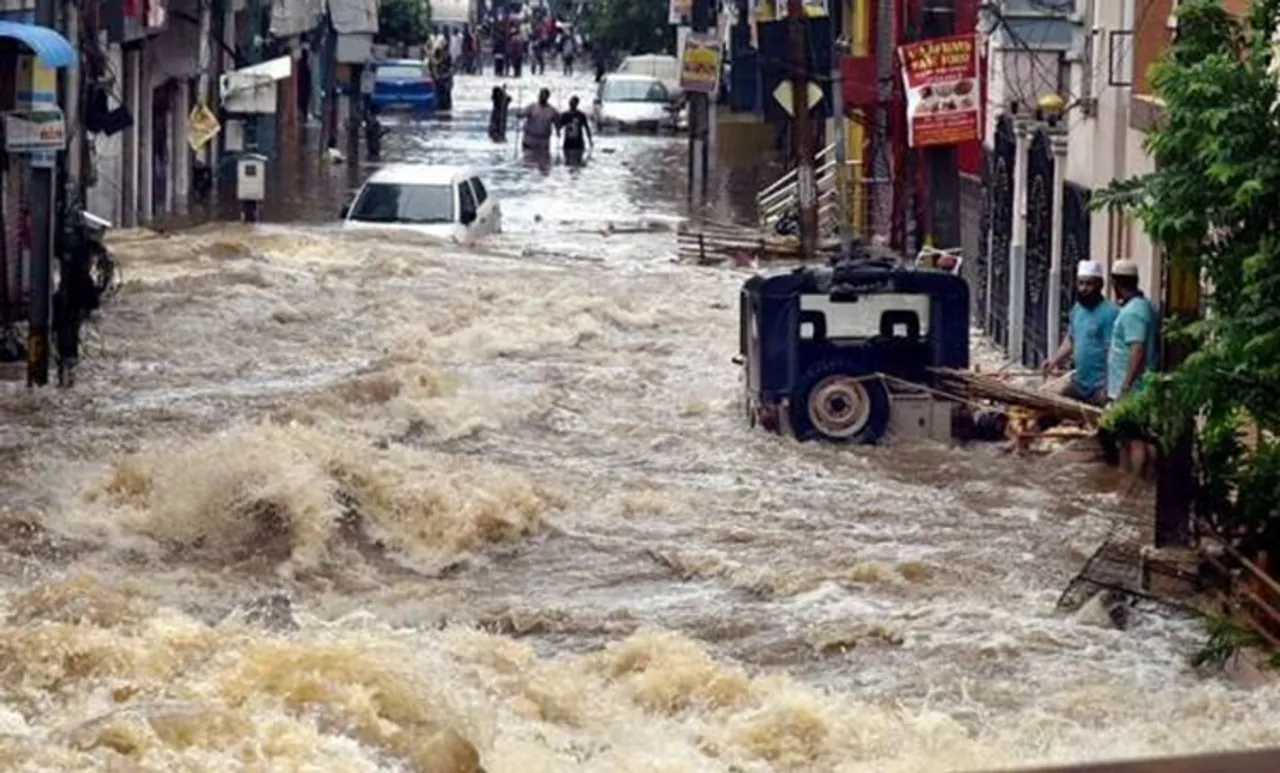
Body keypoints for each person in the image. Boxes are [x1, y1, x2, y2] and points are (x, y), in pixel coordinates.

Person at [1101, 258, 1160, 472]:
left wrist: (1125, 386)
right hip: (1134, 388)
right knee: (1133, 438)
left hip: (1133, 390)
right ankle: (1134, 483)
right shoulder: (1144, 307)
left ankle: (1132, 484)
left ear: (1115, 283)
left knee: (1133, 440)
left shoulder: (1134, 312)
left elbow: (1137, 350)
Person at [1042, 259, 1118, 405]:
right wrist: (1054, 361)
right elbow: (1071, 339)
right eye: (1081, 283)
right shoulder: (1077, 309)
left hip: (1099, 386)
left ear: (1100, 285)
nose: (1083, 288)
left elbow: (1112, 353)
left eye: (1089, 284)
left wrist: (1108, 386)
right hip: (1079, 383)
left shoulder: (1110, 313)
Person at [520, 87, 559, 154]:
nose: (541, 97)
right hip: (530, 139)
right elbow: (522, 114)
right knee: (528, 160)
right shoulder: (532, 106)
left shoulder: (552, 110)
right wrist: (519, 114)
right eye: (540, 95)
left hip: (543, 141)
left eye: (543, 95)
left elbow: (557, 122)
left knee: (543, 160)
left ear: (547, 97)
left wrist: (558, 130)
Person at [557, 95, 593, 166]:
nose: (571, 104)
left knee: (578, 161)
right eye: (570, 103)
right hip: (568, 142)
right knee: (567, 162)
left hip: (578, 143)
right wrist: (557, 132)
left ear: (577, 104)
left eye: (573, 103)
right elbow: (559, 126)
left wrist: (590, 140)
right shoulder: (565, 115)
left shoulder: (581, 115)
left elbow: (587, 128)